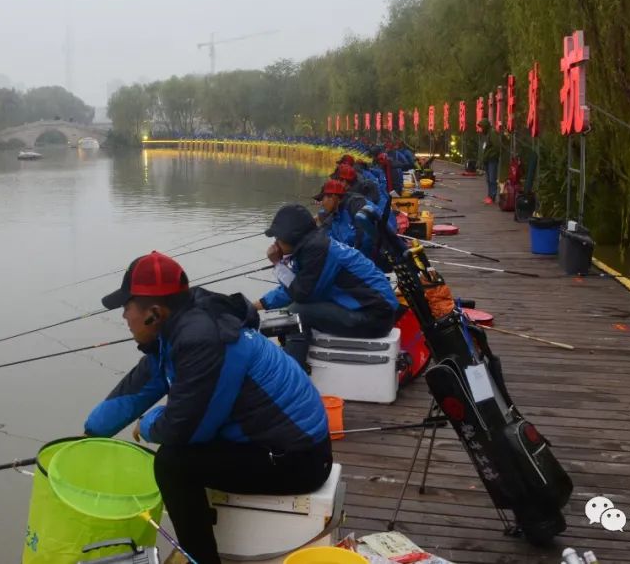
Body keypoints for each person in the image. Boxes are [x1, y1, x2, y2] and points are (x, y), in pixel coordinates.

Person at [84, 251, 332, 564]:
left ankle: (201, 560)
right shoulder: (184, 327)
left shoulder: (204, 340)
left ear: (154, 312)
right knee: (178, 454)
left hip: (299, 459)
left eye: (126, 307)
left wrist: (149, 424)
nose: (124, 317)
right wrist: (89, 435)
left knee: (172, 464)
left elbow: (185, 430)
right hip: (282, 445)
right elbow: (141, 385)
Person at [253, 204, 398, 339]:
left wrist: (278, 264)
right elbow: (295, 286)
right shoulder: (311, 247)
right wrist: (257, 305)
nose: (275, 243)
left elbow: (300, 294)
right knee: (297, 309)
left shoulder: (317, 252)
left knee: (297, 312)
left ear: (291, 237)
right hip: (376, 310)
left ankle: (294, 365)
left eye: (278, 238)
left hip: (376, 317)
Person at [479, 118, 500, 205]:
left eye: (481, 127)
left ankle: (493, 196)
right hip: (487, 160)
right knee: (488, 179)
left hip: (492, 160)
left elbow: (497, 146)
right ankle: (489, 195)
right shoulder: (487, 134)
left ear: (485, 126)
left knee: (492, 179)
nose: (481, 129)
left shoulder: (492, 133)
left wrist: (491, 155)